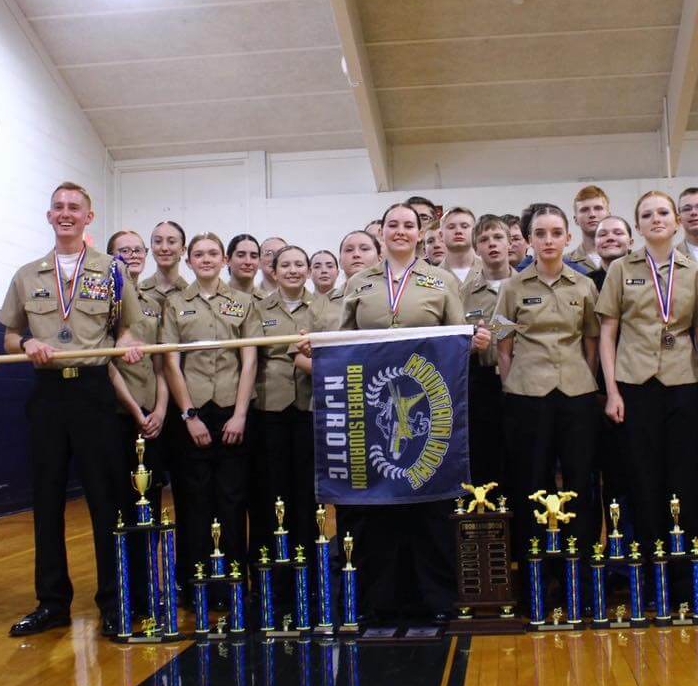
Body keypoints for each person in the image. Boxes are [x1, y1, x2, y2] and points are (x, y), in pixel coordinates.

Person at [0, 182, 146, 638]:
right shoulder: (27, 274)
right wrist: (28, 343)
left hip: (93, 391)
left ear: (89, 217)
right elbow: (7, 338)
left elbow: (128, 329)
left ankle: (113, 602)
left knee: (106, 502)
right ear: (49, 216)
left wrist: (125, 347)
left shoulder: (111, 270)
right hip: (46, 394)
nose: (66, 214)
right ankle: (52, 602)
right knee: (46, 500)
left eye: (74, 208)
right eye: (58, 207)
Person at [335, 203, 492, 620]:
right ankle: (379, 599)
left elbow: (459, 338)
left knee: (431, 499)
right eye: (393, 225)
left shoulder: (439, 280)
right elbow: (342, 340)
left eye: (409, 225)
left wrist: (473, 342)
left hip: (429, 405)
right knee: (379, 500)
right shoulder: (359, 282)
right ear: (381, 232)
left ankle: (438, 597)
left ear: (421, 233)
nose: (401, 231)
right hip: (373, 407)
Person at [598, 192, 698, 601]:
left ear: (678, 220)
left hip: (684, 384)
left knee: (682, 481)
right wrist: (611, 390)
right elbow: (608, 334)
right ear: (638, 225)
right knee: (642, 482)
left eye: (663, 212)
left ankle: (686, 579)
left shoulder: (694, 272)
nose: (656, 219)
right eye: (646, 215)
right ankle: (648, 577)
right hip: (634, 386)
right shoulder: (620, 269)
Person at [496, 203, 601, 579]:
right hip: (527, 396)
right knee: (531, 480)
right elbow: (502, 346)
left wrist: (584, 381)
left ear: (568, 237)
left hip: (577, 394)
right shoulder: (511, 287)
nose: (548, 240)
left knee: (580, 480)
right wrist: (514, 384)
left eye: (556, 233)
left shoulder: (585, 285)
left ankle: (583, 567)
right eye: (540, 234)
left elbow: (591, 342)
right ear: (528, 240)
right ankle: (535, 572)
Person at [160, 233, 259, 586]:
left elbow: (249, 360)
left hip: (232, 409)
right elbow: (171, 360)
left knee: (233, 498)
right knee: (194, 500)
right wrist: (188, 416)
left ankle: (233, 579)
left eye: (213, 253)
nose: (206, 259)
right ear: (188, 260)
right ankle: (195, 581)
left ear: (224, 260)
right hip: (193, 413)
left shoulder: (243, 303)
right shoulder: (174, 303)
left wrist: (241, 414)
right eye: (199, 254)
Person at [105, 229, 171, 622]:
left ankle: (151, 589)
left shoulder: (154, 303)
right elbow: (109, 362)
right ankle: (123, 594)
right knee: (121, 507)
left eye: (136, 250)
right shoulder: (105, 301)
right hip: (119, 416)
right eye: (122, 251)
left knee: (151, 506)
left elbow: (162, 363)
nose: (131, 255)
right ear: (110, 256)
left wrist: (160, 409)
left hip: (153, 418)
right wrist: (134, 411)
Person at [252, 245, 336, 551]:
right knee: (272, 486)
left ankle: (311, 564)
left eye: (299, 264)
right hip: (269, 406)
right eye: (285, 265)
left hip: (310, 406)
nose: (293, 270)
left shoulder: (323, 306)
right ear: (273, 271)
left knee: (307, 488)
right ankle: (275, 562)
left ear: (309, 270)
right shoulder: (258, 307)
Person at [462, 215, 514, 486]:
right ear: (476, 248)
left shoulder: (526, 284)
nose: (492, 244)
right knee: (485, 457)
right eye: (483, 240)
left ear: (510, 244)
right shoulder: (463, 293)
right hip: (481, 382)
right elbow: (452, 342)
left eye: (498, 238)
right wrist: (470, 346)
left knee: (519, 456)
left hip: (522, 379)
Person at [568, 185, 610, 277]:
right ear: (576, 219)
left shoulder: (627, 260)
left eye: (598, 208)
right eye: (584, 210)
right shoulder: (565, 264)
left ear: (609, 215)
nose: (592, 214)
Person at [333, 229, 381, 304]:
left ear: (380, 258)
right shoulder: (323, 304)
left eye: (364, 249)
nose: (356, 254)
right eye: (349, 250)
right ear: (340, 262)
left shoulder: (394, 297)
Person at [441, 206, 481, 286]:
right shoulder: (431, 276)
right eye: (451, 227)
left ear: (475, 232)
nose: (458, 231)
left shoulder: (492, 271)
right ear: (441, 235)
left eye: (464, 226)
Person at [591, 215, 632, 291]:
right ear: (595, 244)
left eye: (618, 233)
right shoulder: (586, 283)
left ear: (631, 242)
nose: (610, 238)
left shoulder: (649, 276)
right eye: (602, 234)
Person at [226, 234, 263, 298]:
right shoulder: (214, 299)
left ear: (259, 262)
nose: (248, 262)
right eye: (241, 255)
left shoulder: (267, 302)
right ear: (228, 260)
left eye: (253, 256)